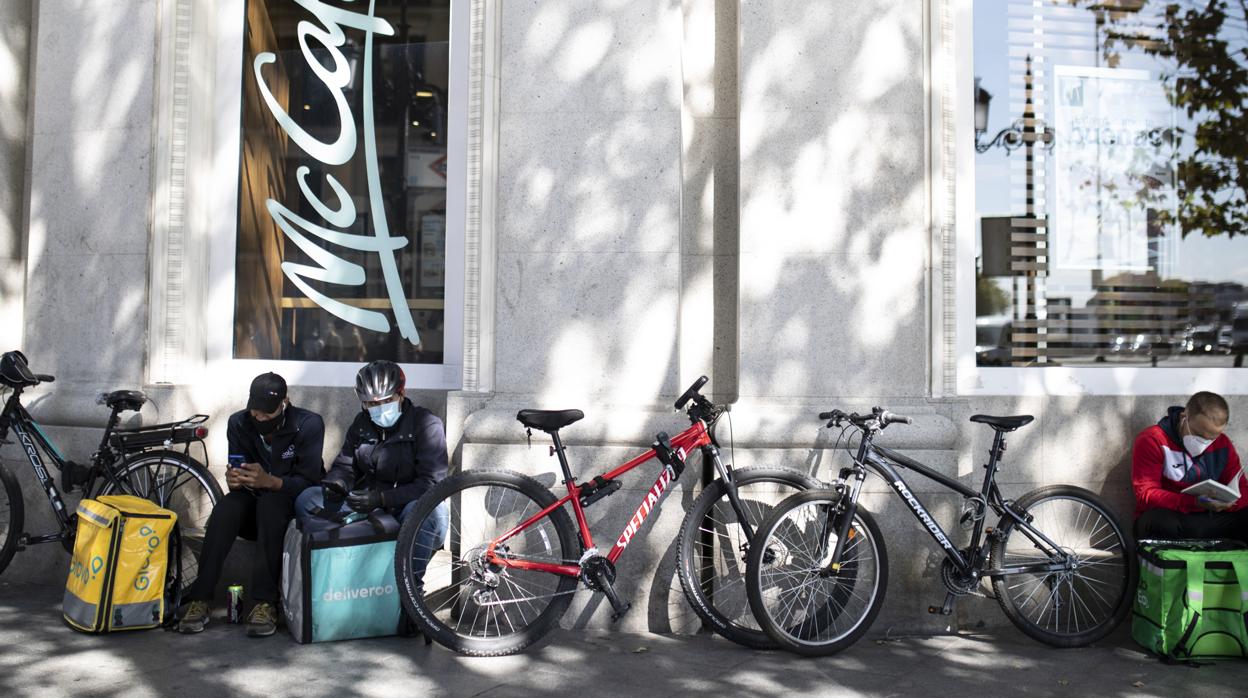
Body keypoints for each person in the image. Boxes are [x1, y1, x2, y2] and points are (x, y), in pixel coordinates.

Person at [178, 372, 325, 637]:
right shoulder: (239, 423)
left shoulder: (308, 424)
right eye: (256, 413)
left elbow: (310, 483)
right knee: (226, 508)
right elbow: (238, 471)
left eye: (268, 414)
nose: (260, 419)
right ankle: (200, 598)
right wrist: (234, 480)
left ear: (285, 403)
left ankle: (265, 603)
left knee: (271, 505)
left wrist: (271, 481)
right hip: (253, 502)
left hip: (289, 509)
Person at [295, 360, 448, 578]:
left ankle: (409, 586)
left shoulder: (426, 423)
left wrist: (382, 498)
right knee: (307, 499)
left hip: (407, 507)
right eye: (371, 404)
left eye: (387, 401)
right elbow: (345, 465)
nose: (380, 409)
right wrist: (338, 483)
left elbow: (431, 484)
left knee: (425, 511)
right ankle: (337, 570)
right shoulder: (362, 423)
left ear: (401, 394)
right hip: (369, 507)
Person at [1133, 391, 1246, 542]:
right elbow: (1146, 494)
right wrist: (1194, 502)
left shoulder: (1223, 444)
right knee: (1156, 523)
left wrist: (1228, 504)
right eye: (1198, 434)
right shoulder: (1153, 439)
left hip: (1209, 519)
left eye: (1211, 438)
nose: (1204, 443)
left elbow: (1243, 489)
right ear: (1184, 417)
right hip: (1173, 518)